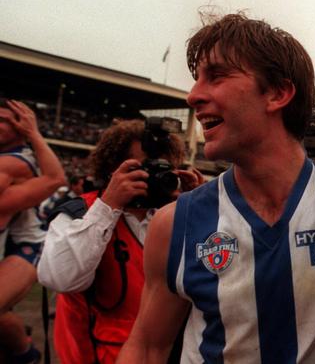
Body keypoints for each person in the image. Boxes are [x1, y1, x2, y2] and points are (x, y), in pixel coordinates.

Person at [118, 13, 315, 363]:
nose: (193, 96)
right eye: (197, 79)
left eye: (216, 76)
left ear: (277, 92)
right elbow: (147, 346)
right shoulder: (174, 224)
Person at [37, 119, 196, 364]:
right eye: (145, 167)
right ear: (113, 168)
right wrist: (109, 205)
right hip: (99, 354)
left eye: (164, 168)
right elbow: (60, 279)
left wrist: (198, 213)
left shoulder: (172, 215)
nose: (155, 175)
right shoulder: (81, 211)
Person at [0, 99, 66, 363]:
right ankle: (23, 351)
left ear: (21, 127)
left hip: (27, 244)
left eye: (5, 120)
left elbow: (56, 179)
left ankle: (24, 354)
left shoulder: (18, 160)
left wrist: (33, 133)